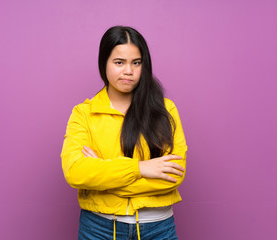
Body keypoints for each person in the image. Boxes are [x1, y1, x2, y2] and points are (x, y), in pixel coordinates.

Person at [61, 26, 187, 240]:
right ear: (104, 63)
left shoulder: (165, 110)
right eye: (119, 62)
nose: (128, 71)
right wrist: (140, 168)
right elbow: (75, 171)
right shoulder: (84, 113)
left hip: (158, 228)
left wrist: (102, 179)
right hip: (98, 228)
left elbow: (173, 175)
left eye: (136, 63)